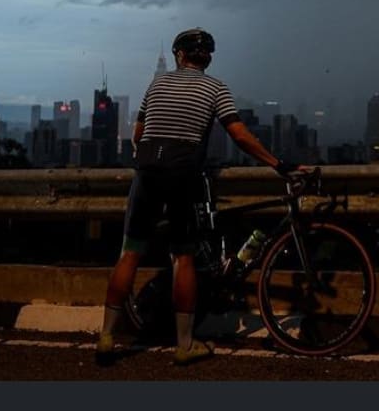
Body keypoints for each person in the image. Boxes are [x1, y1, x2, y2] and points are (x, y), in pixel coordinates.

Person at [97, 28, 303, 367]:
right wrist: (277, 164)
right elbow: (238, 133)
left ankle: (106, 336)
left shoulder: (157, 84)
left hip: (146, 171)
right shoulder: (215, 87)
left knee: (130, 254)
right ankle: (184, 344)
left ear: (179, 55)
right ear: (207, 58)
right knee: (183, 258)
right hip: (183, 173)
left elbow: (138, 132)